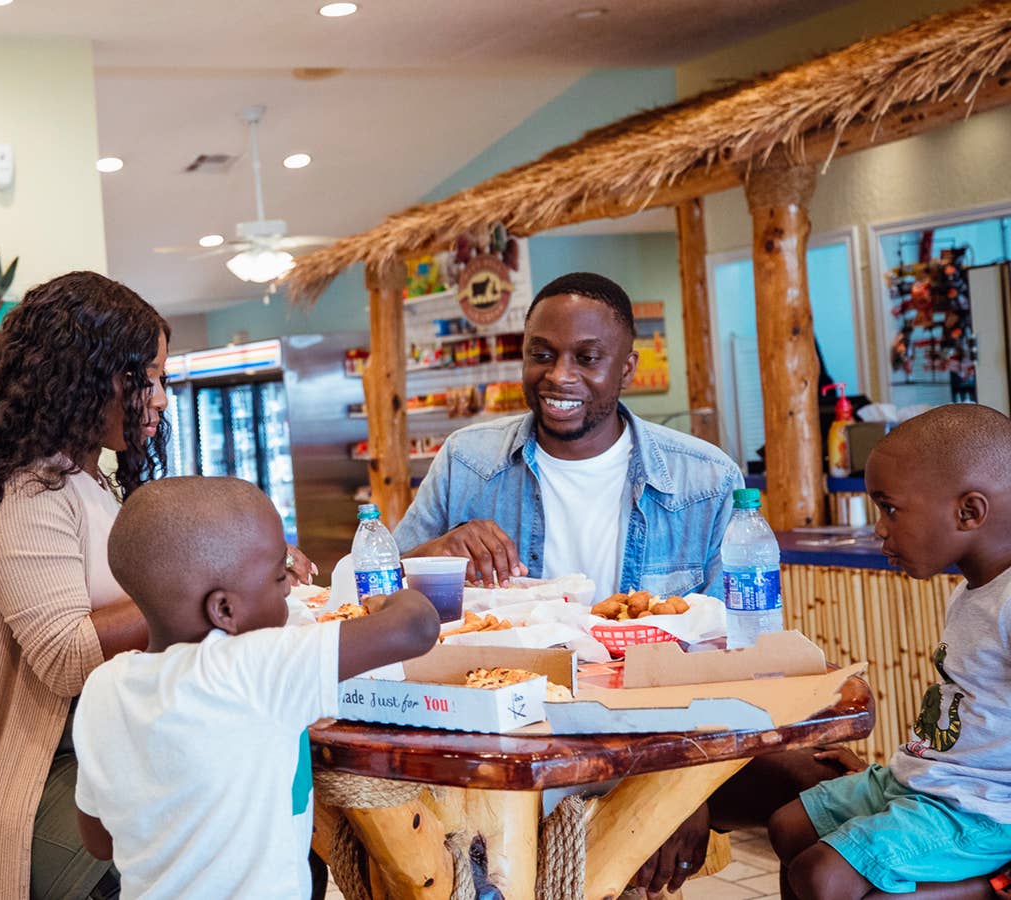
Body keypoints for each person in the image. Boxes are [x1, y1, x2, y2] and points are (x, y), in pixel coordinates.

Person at [0, 271, 170, 900]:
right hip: (23, 772)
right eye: (150, 378)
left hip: (86, 750)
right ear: (93, 376)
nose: (161, 398)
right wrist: (197, 587)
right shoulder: (32, 491)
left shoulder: (87, 480)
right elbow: (64, 660)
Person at [73, 476, 440, 898]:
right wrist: (386, 596)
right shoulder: (256, 665)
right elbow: (416, 626)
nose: (288, 584)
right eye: (277, 575)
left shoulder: (104, 687)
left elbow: (98, 841)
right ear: (225, 609)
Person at [769, 404, 1011, 898]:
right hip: (931, 782)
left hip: (985, 809)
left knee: (822, 874)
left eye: (890, 508)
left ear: (969, 511)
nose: (879, 527)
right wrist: (909, 767)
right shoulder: (968, 592)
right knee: (789, 825)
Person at [396, 270, 743, 600]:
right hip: (501, 666)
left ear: (627, 370)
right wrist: (435, 554)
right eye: (542, 355)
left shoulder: (708, 482)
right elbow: (375, 588)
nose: (560, 376)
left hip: (657, 665)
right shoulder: (466, 461)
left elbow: (738, 632)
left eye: (587, 357)